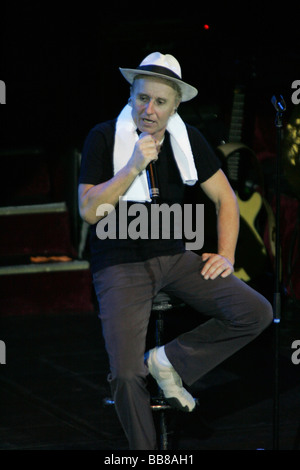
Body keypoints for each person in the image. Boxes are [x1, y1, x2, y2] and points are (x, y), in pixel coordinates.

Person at [78, 52, 273, 450]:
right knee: (127, 374)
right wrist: (131, 167)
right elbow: (89, 211)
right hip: (119, 263)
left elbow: (227, 200)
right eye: (141, 98)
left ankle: (168, 361)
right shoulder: (104, 136)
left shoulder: (187, 139)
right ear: (131, 95)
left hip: (173, 256)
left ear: (175, 106)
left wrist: (226, 255)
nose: (148, 110)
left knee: (256, 312)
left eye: (160, 102)